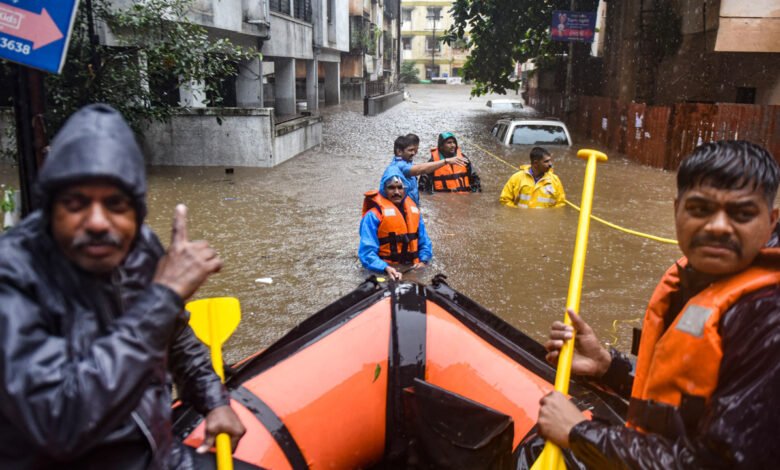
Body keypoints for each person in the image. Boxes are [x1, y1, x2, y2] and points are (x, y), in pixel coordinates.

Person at [0, 104, 246, 468]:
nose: (98, 222)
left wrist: (214, 401)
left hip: (155, 453)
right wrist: (163, 297)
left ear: (137, 212)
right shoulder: (13, 276)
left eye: (116, 204)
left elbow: (176, 337)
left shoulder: (140, 248)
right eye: (76, 203)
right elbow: (59, 422)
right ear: (51, 210)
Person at [538, 140, 780, 468]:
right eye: (700, 209)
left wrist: (580, 432)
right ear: (676, 209)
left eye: (742, 213)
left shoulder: (767, 316)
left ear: (771, 220)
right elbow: (687, 398)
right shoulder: (700, 281)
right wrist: (609, 367)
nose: (719, 226)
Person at [359, 168, 432, 281]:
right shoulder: (373, 216)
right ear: (384, 190)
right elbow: (367, 252)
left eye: (400, 188)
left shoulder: (414, 212)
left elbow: (424, 243)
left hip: (412, 267)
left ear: (405, 189)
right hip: (384, 269)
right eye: (391, 188)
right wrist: (385, 268)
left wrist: (424, 261)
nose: (397, 192)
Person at [383, 133, 469, 205]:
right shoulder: (399, 166)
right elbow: (421, 170)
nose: (414, 153)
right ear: (399, 152)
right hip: (404, 207)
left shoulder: (405, 161)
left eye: (415, 150)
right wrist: (446, 161)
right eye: (410, 150)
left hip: (411, 205)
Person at [499, 147, 565, 208]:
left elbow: (560, 204)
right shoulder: (517, 178)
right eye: (546, 161)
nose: (550, 164)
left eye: (550, 161)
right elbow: (504, 200)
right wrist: (517, 213)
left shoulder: (555, 180)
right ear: (536, 163)